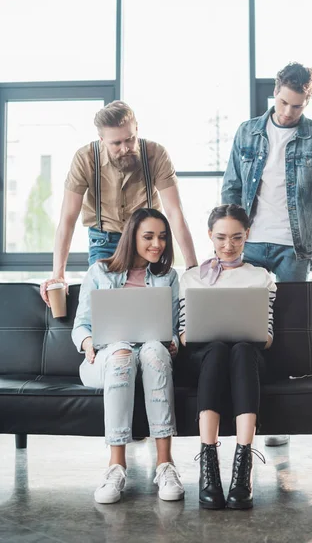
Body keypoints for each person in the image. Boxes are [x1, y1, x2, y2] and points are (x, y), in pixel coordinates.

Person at [221, 61, 312, 446]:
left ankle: (277, 420)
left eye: (296, 106)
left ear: (307, 102)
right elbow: (231, 191)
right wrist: (228, 243)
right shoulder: (247, 132)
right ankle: (247, 411)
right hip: (249, 246)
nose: (286, 112)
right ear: (275, 90)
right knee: (245, 331)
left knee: (284, 333)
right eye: (282, 102)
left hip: (294, 250)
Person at [72, 208, 184, 504]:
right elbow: (81, 326)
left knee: (154, 349)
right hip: (106, 359)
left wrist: (172, 341)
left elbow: (173, 327)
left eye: (162, 237)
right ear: (131, 237)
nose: (157, 244)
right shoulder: (99, 271)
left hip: (150, 356)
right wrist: (87, 344)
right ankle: (116, 466)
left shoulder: (169, 276)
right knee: (122, 352)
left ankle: (165, 465)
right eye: (148, 237)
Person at [41, 101, 197, 305]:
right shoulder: (85, 158)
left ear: (137, 129)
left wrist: (192, 268)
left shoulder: (156, 154)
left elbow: (175, 212)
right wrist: (58, 274)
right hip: (104, 241)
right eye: (116, 143)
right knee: (105, 304)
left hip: (147, 239)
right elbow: (67, 219)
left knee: (153, 301)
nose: (125, 148)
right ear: (102, 139)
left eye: (130, 139)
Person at [178, 204, 276, 510]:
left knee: (243, 349)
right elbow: (183, 335)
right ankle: (208, 462)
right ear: (209, 235)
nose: (228, 246)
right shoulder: (193, 277)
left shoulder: (261, 277)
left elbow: (268, 336)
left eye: (236, 237)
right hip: (205, 358)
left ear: (247, 235)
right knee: (219, 348)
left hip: (247, 359)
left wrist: (253, 332)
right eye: (220, 238)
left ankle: (242, 464)